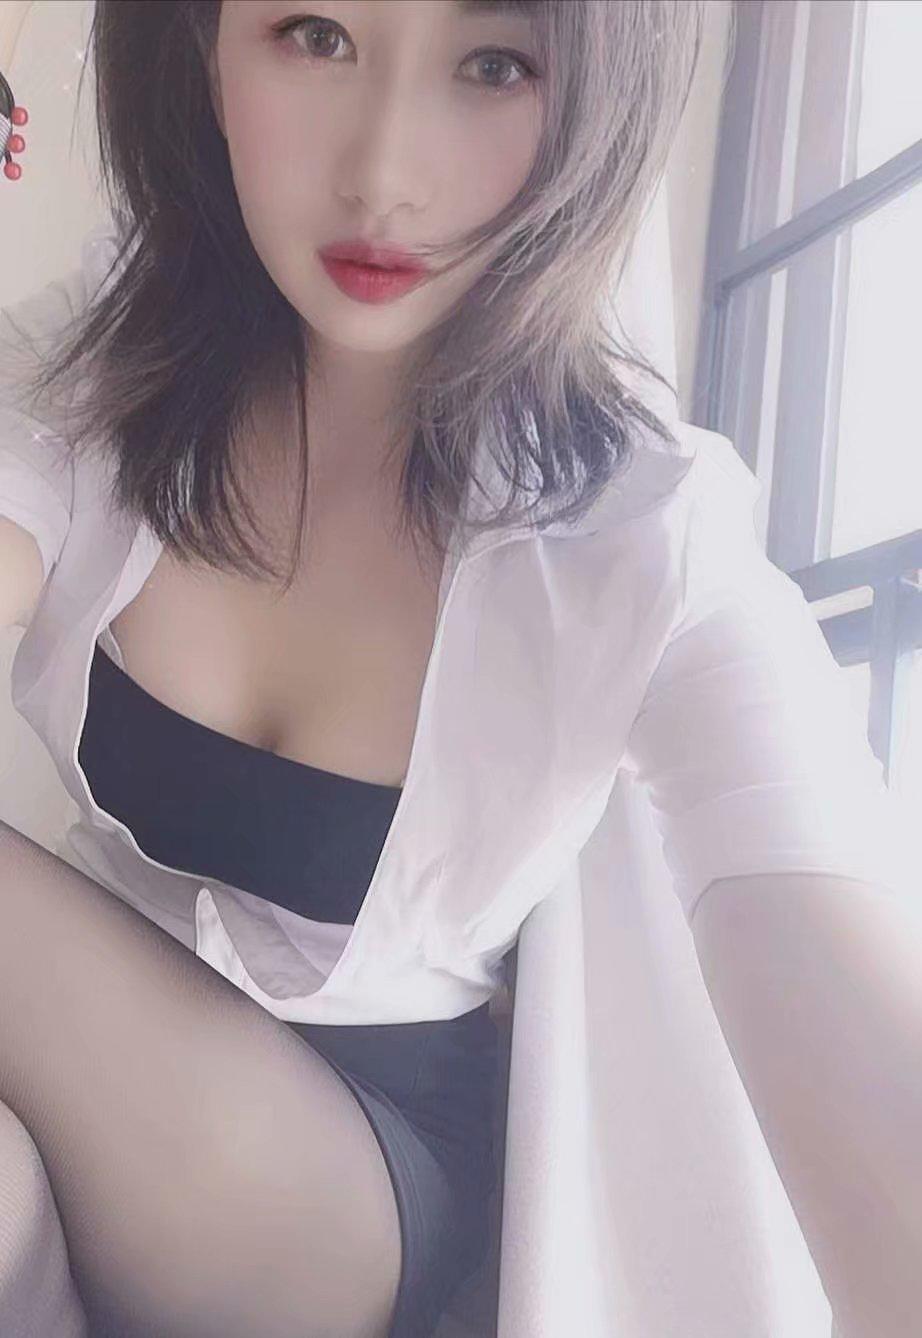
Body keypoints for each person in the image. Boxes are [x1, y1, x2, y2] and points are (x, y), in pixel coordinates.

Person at [0, 3, 708, 1336]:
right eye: (315, 35)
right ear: (202, 51)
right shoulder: (108, 368)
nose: (384, 174)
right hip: (92, 1065)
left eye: (493, 63)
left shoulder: (639, 527)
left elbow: (816, 900)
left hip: (353, 1186)